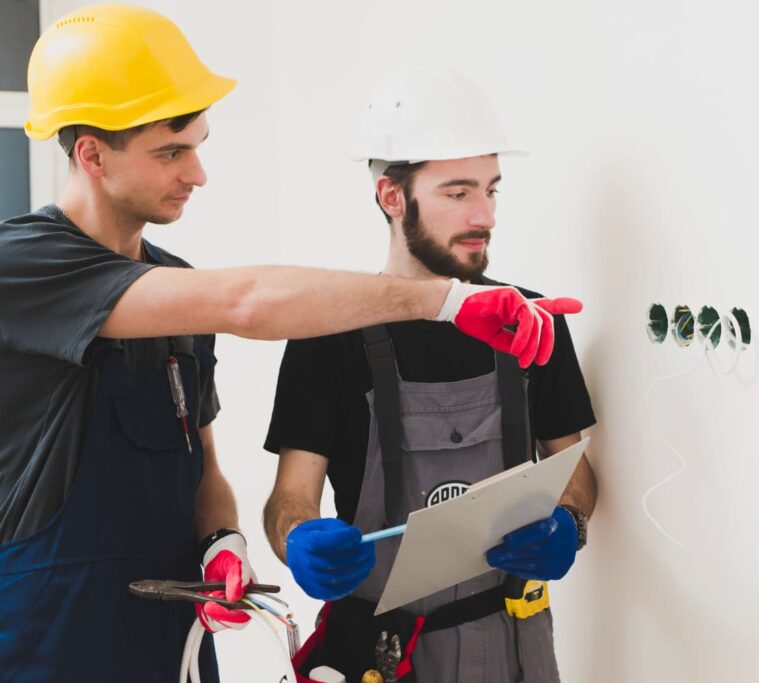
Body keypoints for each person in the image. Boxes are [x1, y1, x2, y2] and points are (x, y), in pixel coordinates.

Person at [0, 6, 579, 682]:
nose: (198, 173)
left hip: (169, 642)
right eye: (171, 151)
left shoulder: (176, 288)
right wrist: (449, 300)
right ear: (93, 154)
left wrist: (222, 541)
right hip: (48, 642)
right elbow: (247, 301)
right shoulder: (22, 266)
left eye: (197, 146)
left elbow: (204, 465)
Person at [262, 66, 598, 682]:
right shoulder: (327, 336)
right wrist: (300, 541)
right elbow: (290, 499)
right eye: (458, 193)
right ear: (392, 197)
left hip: (517, 648)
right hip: (384, 656)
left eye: (491, 190)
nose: (485, 215)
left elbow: (572, 469)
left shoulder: (531, 320)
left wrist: (568, 522)